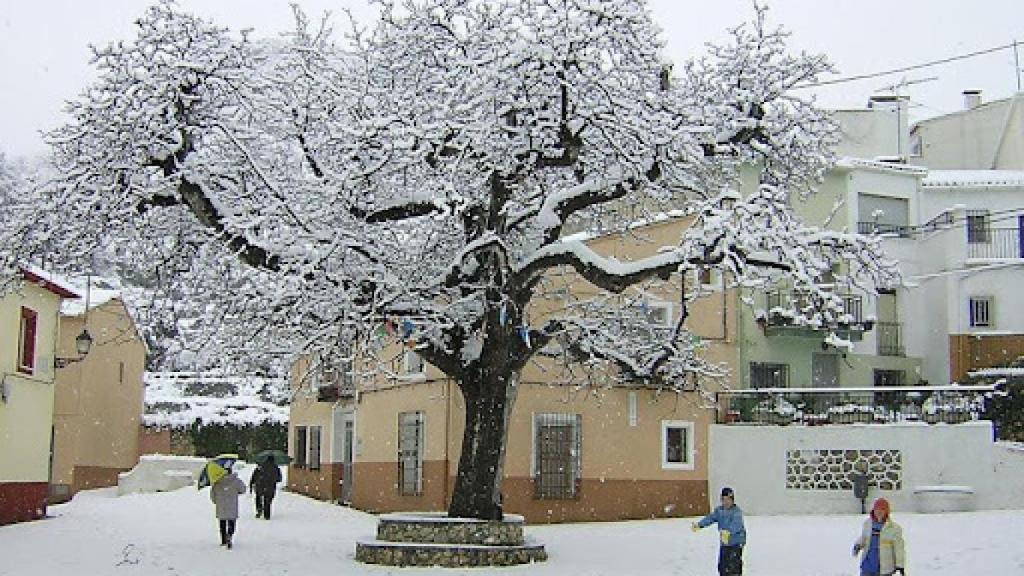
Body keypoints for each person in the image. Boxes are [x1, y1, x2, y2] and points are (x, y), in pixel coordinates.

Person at [693, 487, 747, 576]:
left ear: (732, 500)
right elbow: (710, 518)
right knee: (723, 565)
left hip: (736, 541)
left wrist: (728, 532)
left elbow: (736, 524)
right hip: (725, 542)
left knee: (734, 563)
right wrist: (700, 525)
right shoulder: (719, 511)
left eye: (728, 499)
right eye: (723, 500)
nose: (726, 502)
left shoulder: (736, 512)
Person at [852, 497, 906, 576]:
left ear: (886, 511)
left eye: (882, 509)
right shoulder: (868, 523)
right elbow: (864, 537)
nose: (879, 511)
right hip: (868, 564)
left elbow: (899, 548)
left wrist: (900, 565)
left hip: (884, 567)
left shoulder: (894, 528)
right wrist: (858, 545)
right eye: (877, 509)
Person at [210, 463, 246, 549]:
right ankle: (229, 535)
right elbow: (243, 489)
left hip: (221, 506)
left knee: (222, 524)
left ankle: (223, 540)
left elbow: (213, 495)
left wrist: (216, 502)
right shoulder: (236, 481)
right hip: (232, 505)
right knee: (231, 522)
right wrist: (237, 492)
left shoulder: (217, 482)